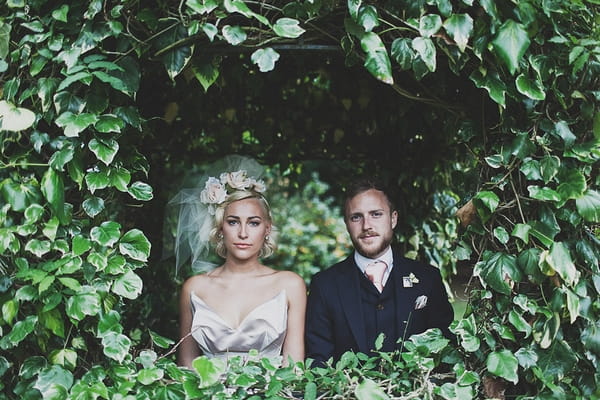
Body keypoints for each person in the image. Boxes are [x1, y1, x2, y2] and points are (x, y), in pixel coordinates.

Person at [173, 156, 306, 369]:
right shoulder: (195, 287)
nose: (243, 233)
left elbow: (295, 369)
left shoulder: (289, 285)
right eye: (233, 222)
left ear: (267, 229)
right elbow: (186, 366)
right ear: (220, 227)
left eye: (253, 223)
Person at [305, 178, 453, 366]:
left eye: (376, 214)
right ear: (347, 224)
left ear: (393, 219)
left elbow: (445, 350)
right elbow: (318, 360)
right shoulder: (325, 285)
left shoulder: (428, 278)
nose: (366, 226)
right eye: (356, 217)